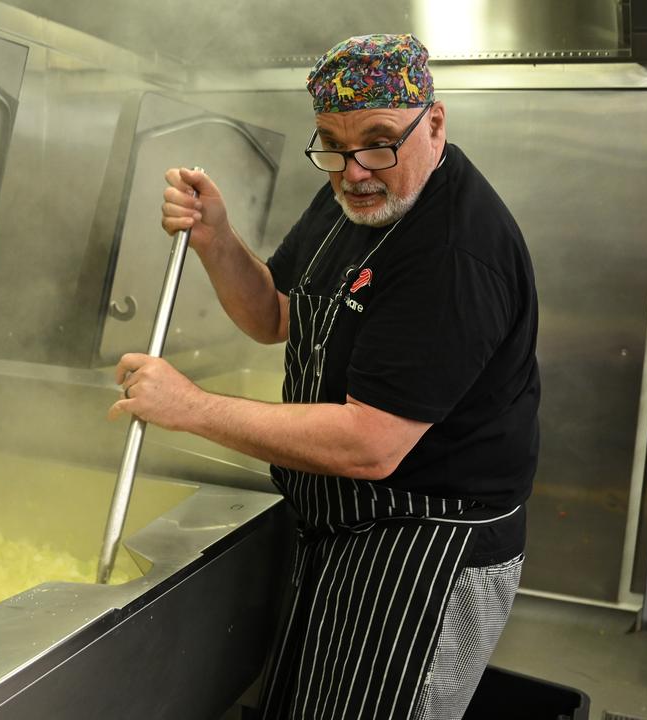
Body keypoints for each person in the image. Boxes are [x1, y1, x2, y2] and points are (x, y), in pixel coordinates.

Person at [110, 34, 539, 719]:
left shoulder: (455, 251)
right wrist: (217, 239)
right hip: (346, 528)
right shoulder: (347, 191)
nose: (355, 171)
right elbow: (275, 315)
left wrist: (189, 407)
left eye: (377, 142)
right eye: (332, 147)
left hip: (427, 547)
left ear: (433, 123)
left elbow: (371, 443)